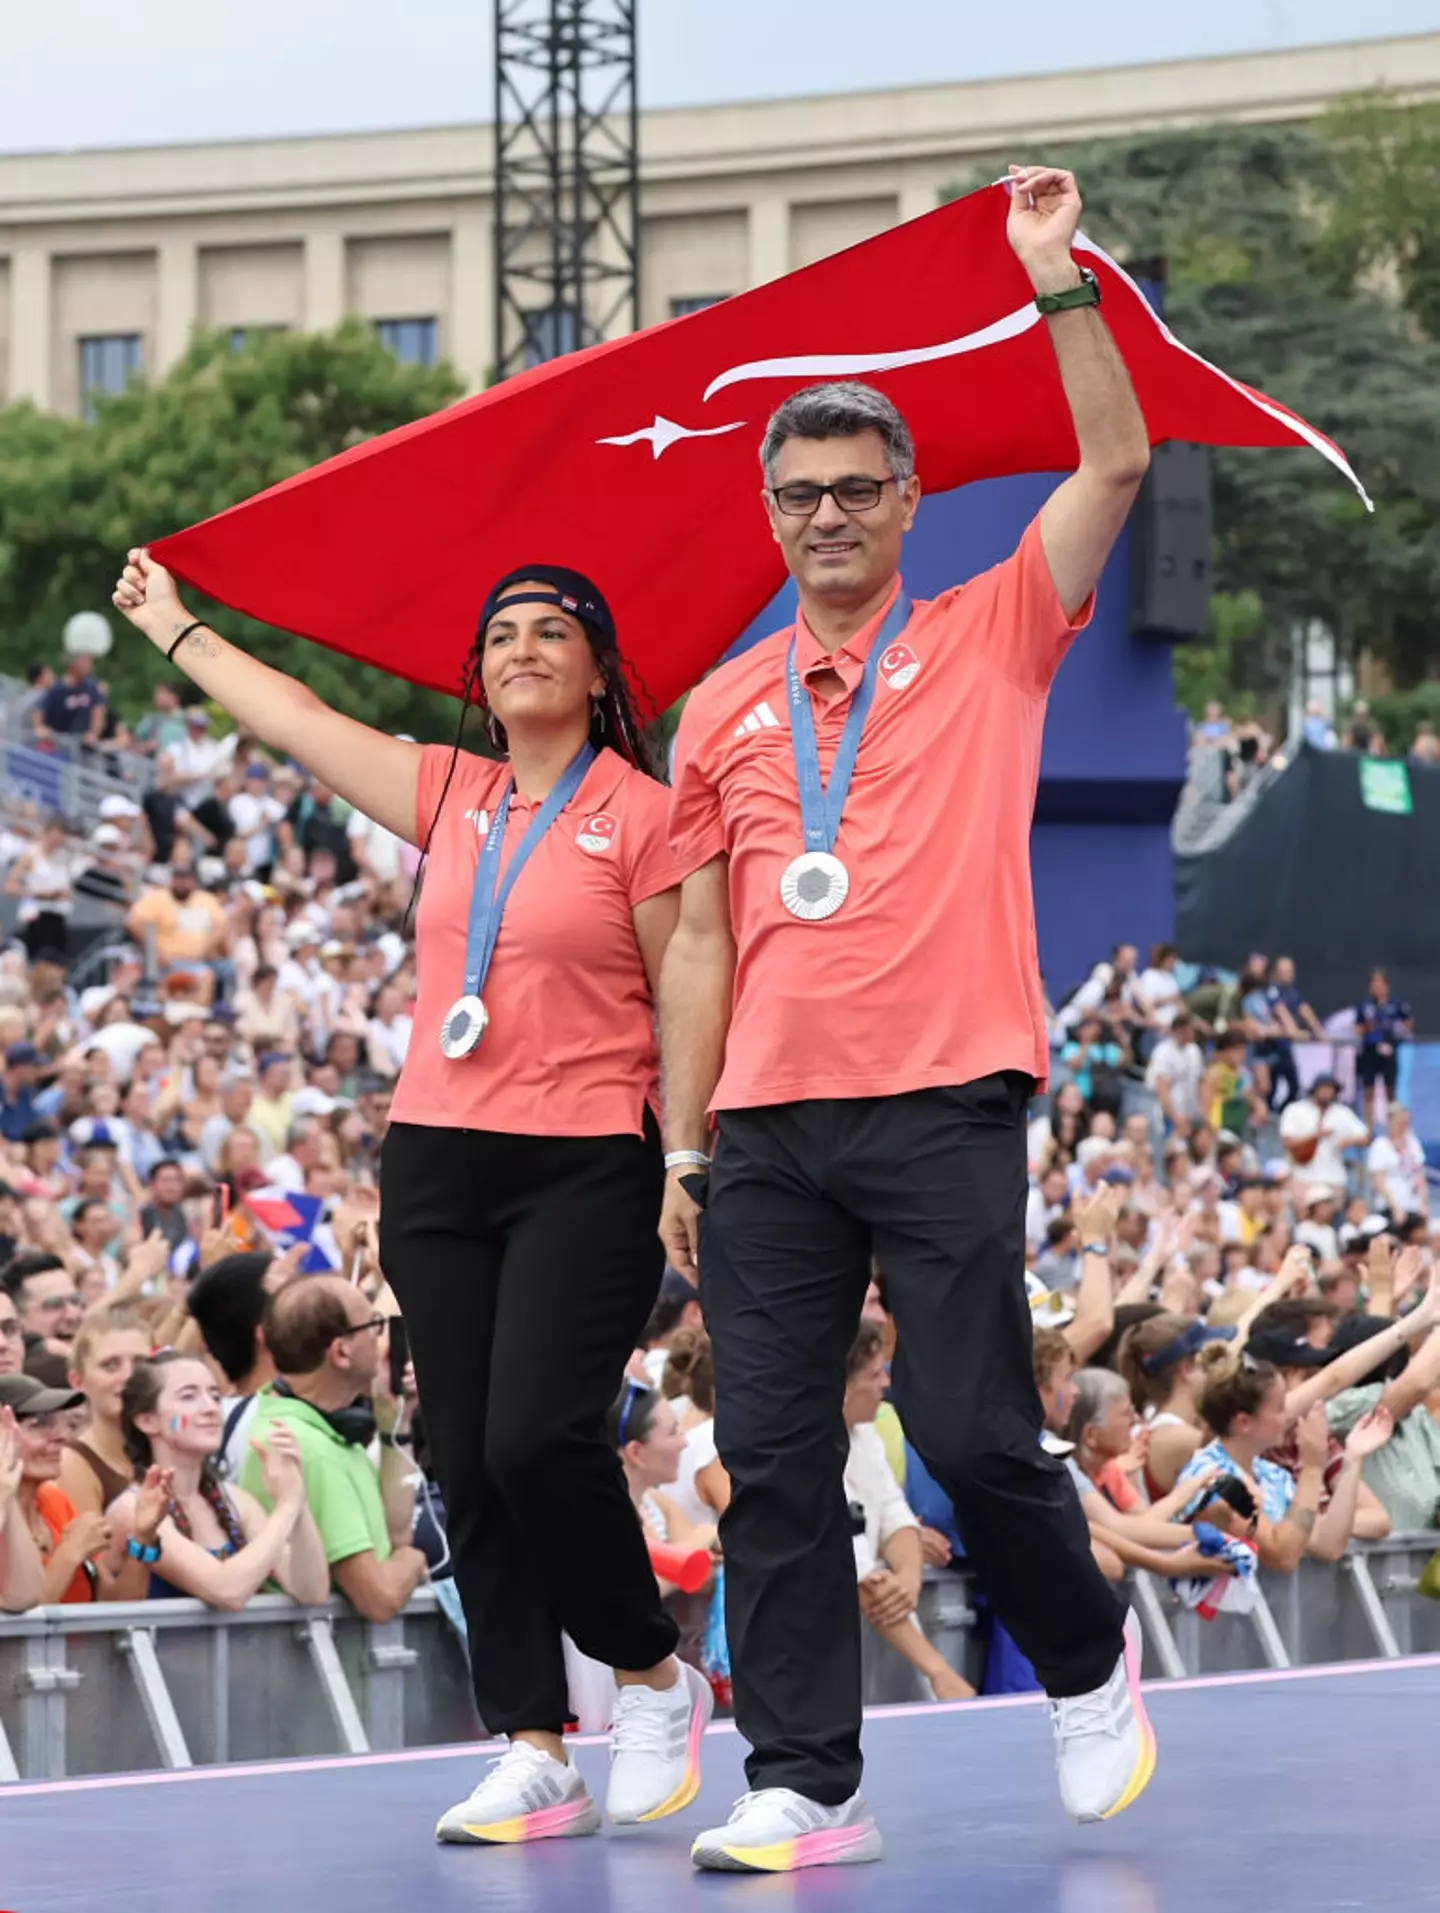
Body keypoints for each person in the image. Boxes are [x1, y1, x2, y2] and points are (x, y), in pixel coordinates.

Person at [661, 164, 1157, 1871]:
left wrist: (1056, 282)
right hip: (767, 1127)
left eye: (858, 488)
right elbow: (708, 942)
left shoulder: (996, 629)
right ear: (772, 508)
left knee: (962, 1427)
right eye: (799, 492)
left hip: (946, 1093)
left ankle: (1089, 1665)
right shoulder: (721, 709)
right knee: (771, 1455)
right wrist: (683, 1134)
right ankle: (807, 1776)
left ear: (909, 496)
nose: (827, 515)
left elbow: (1114, 463)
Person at [113, 539, 711, 1848]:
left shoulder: (649, 812)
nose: (523, 649)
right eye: (501, 634)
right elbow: (305, 721)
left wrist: (685, 1156)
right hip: (438, 1153)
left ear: (602, 668)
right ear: (480, 679)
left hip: (588, 1155)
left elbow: (685, 993)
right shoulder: (452, 792)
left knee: (536, 1436)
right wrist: (176, 631)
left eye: (553, 630)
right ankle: (534, 1744)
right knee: (459, 1451)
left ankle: (655, 1672)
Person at [110, 1352, 329, 1609]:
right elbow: (226, 1591)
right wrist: (286, 1508)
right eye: (189, 1396)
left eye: (215, 1396)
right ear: (148, 1421)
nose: (211, 1408)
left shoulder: (235, 1500)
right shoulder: (132, 1509)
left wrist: (297, 1501)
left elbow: (310, 1591)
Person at [841, 1323, 973, 1701]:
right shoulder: (804, 1455)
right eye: (874, 1374)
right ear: (841, 1386)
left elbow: (896, 1517)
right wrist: (940, 1673)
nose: (886, 1383)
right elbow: (860, 1575)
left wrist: (910, 1581)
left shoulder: (864, 1435)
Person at [0, 1371, 135, 1602]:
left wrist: (143, 1539)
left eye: (62, 1423)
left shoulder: (54, 1499)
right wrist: (70, 1552)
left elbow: (115, 1605)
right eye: (39, 1424)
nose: (62, 1436)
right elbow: (21, 1622)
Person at [55, 1307, 153, 1517]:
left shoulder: (170, 1447)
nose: (128, 1376)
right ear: (77, 1381)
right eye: (110, 1365)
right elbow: (91, 1549)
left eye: (141, 1363)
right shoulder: (72, 1464)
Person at [1279, 1075, 1369, 1198]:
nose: (1326, 1092)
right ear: (1314, 1089)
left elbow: (1365, 1136)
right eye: (1322, 1088)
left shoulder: (1342, 1112)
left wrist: (1349, 1141)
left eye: (1329, 1088)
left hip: (1334, 1176)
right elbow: (1287, 1141)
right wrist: (1314, 1137)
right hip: (1303, 1175)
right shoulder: (1295, 1109)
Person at [1355, 969, 1413, 1128]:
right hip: (1370, 1052)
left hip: (1390, 1051)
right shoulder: (1364, 1006)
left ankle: (1393, 1125)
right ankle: (1369, 1127)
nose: (1377, 988)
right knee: (1369, 1090)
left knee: (1390, 1090)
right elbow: (1357, 1028)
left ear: (1386, 986)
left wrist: (1398, 1031)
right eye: (1373, 985)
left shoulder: (1396, 1004)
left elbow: (1408, 1023)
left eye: (1380, 985)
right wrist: (1367, 1028)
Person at [1144, 1011, 1204, 1138]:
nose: (1191, 1034)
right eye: (1188, 1030)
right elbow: (1162, 1089)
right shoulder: (1163, 1053)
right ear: (1178, 1031)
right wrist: (1175, 1119)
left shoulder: (1195, 1051)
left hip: (1190, 1116)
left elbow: (1199, 1083)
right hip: (1169, 1117)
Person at [1368, 1105, 1428, 1222]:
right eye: (1400, 1123)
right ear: (1390, 1123)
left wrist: (1424, 1203)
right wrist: (1395, 1208)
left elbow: (1420, 1175)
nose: (1404, 1127)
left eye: (1407, 1123)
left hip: (1414, 1205)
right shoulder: (1380, 1145)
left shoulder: (1413, 1142)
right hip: (1391, 1207)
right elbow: (1379, 1182)